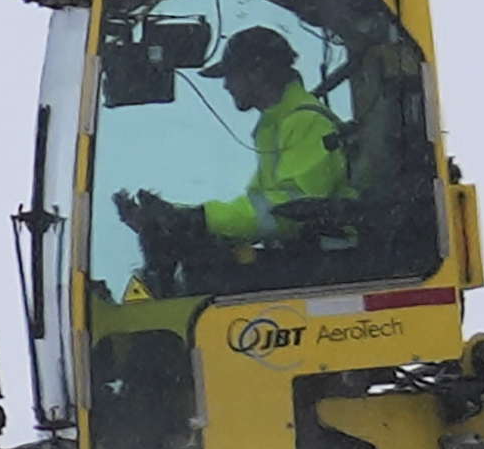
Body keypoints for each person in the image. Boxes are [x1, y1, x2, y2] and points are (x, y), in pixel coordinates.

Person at [114, 24, 344, 284]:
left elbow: (292, 213)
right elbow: (260, 211)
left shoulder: (305, 122)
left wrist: (199, 219)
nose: (225, 86)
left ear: (258, 72)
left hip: (332, 265)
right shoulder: (276, 123)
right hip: (306, 258)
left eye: (231, 75)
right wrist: (170, 218)